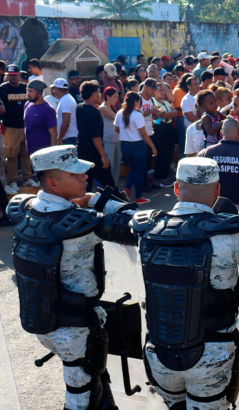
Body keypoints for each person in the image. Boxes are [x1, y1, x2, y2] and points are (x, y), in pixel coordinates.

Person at [7, 144, 140, 410]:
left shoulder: (24, 209)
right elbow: (138, 223)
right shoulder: (81, 224)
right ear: (53, 183)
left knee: (96, 381)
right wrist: (95, 199)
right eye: (74, 175)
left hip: (44, 320)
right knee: (80, 400)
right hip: (76, 330)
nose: (84, 177)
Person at [130, 156, 239, 410]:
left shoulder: (147, 229)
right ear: (217, 190)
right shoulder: (232, 233)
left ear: (177, 188)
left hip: (159, 350)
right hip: (211, 354)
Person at [114, 92, 157, 203]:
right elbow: (143, 134)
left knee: (134, 169)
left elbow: (117, 129)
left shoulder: (120, 113)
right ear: (136, 102)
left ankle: (126, 190)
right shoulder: (137, 115)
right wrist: (153, 147)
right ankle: (138, 197)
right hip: (137, 146)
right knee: (138, 171)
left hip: (124, 145)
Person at [75, 80, 115, 191]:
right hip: (94, 156)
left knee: (85, 188)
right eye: (98, 92)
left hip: (82, 154)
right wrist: (103, 156)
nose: (99, 95)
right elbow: (96, 137)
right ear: (92, 94)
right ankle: (119, 207)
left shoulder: (79, 108)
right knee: (110, 187)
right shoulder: (94, 112)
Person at [1, 65, 34, 194]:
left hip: (25, 126)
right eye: (11, 75)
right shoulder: (3, 89)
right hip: (10, 127)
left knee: (26, 154)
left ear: (19, 75)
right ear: (7, 75)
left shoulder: (25, 88)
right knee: (11, 156)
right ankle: (12, 181)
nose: (13, 77)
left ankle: (27, 178)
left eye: (15, 75)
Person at [23, 80, 55, 158]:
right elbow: (27, 127)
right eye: (27, 91)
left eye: (31, 91)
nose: (28, 94)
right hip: (31, 153)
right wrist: (27, 148)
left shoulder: (48, 109)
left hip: (45, 153)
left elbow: (53, 134)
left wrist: (53, 154)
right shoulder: (27, 105)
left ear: (39, 93)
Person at [99, 88, 122, 185]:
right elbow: (117, 118)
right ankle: (107, 188)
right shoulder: (102, 108)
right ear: (107, 97)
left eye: (117, 97)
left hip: (118, 140)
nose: (117, 99)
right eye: (115, 97)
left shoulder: (113, 108)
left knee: (117, 166)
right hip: (108, 141)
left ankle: (114, 187)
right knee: (110, 166)